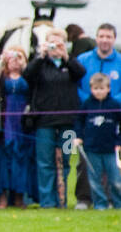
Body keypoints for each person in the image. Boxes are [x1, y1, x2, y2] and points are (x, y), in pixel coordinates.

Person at [24, 27, 86, 208]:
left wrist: (66, 56)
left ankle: (62, 199)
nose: (55, 46)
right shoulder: (41, 64)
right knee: (45, 162)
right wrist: (42, 55)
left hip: (68, 122)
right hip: (44, 123)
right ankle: (47, 201)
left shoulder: (70, 64)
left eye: (59, 42)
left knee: (65, 161)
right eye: (52, 42)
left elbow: (80, 74)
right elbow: (28, 75)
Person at [72, 23, 120, 208]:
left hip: (112, 117)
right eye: (101, 36)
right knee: (86, 163)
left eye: (108, 37)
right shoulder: (83, 59)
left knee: (112, 166)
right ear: (96, 38)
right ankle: (85, 198)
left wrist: (109, 103)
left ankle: (112, 200)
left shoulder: (120, 62)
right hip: (88, 116)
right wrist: (91, 102)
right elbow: (75, 85)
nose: (105, 40)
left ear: (114, 39)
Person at [0, 45, 35, 208]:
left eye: (19, 57)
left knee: (21, 158)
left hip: (23, 122)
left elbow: (34, 81)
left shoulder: (29, 76)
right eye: (12, 57)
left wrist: (24, 64)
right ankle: (2, 195)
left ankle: (19, 195)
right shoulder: (1, 76)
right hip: (5, 122)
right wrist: (2, 61)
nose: (15, 61)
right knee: (3, 159)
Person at [74, 73, 121, 209]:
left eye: (101, 88)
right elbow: (79, 122)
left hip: (110, 149)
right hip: (91, 148)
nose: (99, 91)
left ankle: (117, 203)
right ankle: (100, 203)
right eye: (95, 88)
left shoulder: (114, 105)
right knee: (94, 178)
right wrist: (78, 137)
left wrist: (118, 142)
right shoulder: (87, 104)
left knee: (115, 179)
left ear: (108, 88)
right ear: (91, 89)